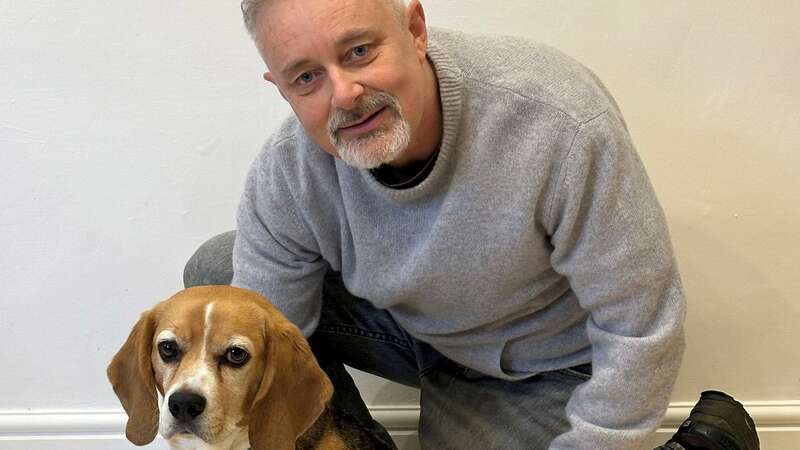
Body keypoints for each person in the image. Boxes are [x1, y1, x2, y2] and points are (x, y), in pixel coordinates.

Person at [184, 0, 759, 448]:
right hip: (411, 332)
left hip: (541, 364)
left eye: (358, 50)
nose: (345, 94)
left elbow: (640, 326)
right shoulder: (288, 171)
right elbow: (263, 353)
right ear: (280, 87)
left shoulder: (558, 123)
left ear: (415, 29)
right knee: (224, 285)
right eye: (306, 77)